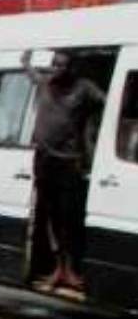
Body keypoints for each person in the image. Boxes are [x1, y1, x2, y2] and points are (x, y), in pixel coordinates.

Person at [21, 48, 107, 291]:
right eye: (55, 65)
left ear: (72, 69)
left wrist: (89, 128)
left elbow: (107, 103)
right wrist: (25, 61)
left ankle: (69, 269)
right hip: (44, 160)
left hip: (68, 162)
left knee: (69, 216)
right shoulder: (46, 83)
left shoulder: (83, 88)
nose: (58, 70)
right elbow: (30, 73)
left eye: (63, 66)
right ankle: (58, 268)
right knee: (50, 217)